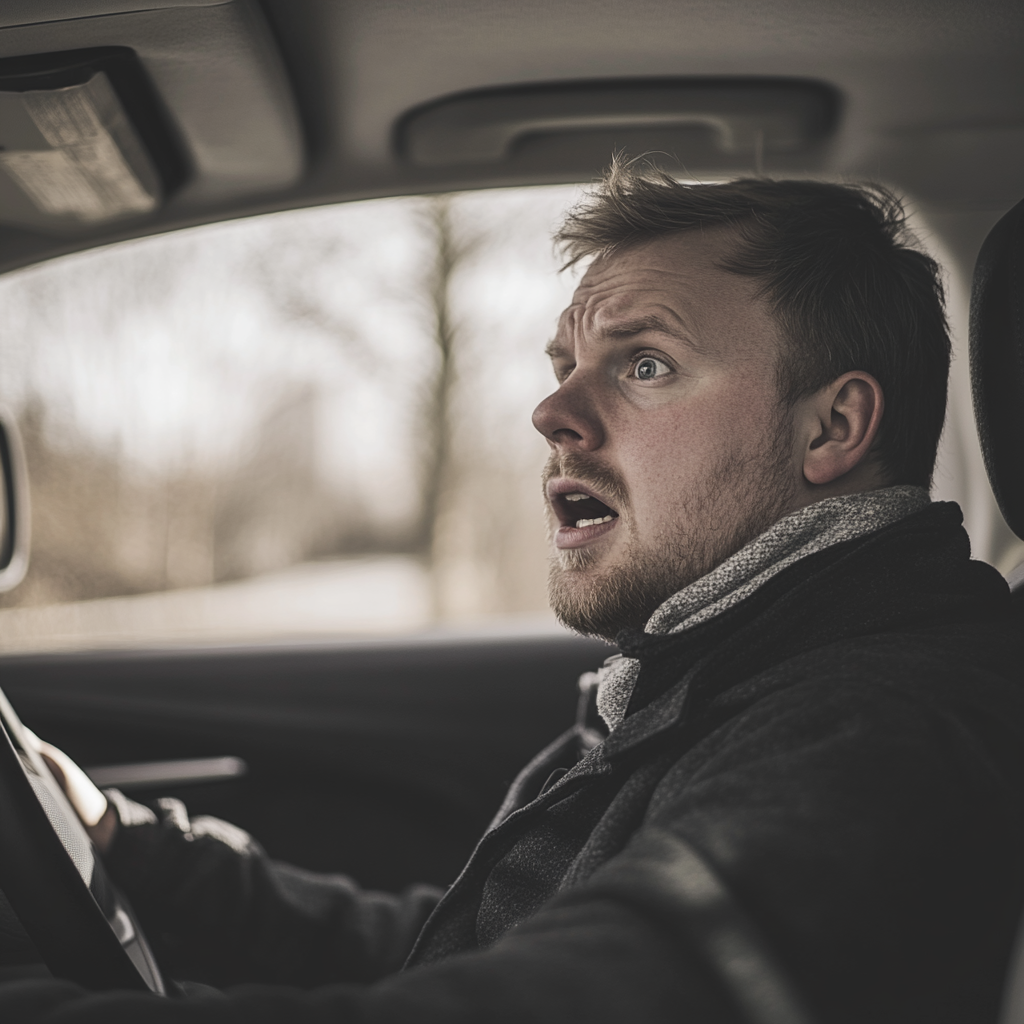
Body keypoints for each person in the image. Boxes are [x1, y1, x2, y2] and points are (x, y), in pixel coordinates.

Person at [4, 159, 1024, 1023]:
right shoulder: (717, 665)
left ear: (831, 428)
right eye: (565, 363)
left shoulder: (874, 724)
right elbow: (474, 954)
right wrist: (131, 846)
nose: (551, 410)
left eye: (648, 363)